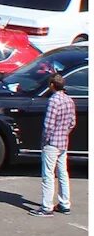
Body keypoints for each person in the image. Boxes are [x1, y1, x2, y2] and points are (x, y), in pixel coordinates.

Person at [36, 69, 76, 216]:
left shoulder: (53, 101)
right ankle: (65, 203)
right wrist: (64, 134)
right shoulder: (68, 100)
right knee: (62, 173)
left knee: (48, 175)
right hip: (63, 142)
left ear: (52, 85)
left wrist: (44, 141)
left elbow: (48, 125)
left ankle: (47, 207)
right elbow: (72, 123)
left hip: (52, 143)